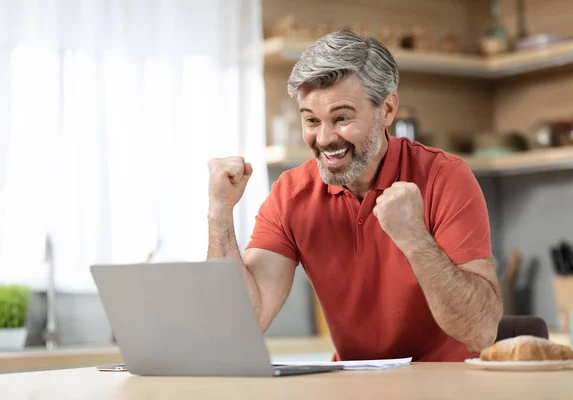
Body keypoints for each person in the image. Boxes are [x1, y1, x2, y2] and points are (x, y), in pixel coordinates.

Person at [207, 30, 503, 362]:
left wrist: (415, 238)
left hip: (446, 387)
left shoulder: (444, 177)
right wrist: (220, 213)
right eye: (312, 120)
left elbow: (480, 332)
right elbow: (238, 325)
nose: (325, 138)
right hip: (352, 386)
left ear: (387, 109)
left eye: (342, 118)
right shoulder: (291, 194)